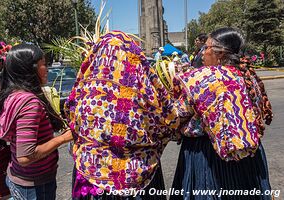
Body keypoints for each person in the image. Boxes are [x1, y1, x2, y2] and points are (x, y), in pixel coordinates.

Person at [65, 31, 179, 200]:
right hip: (138, 176)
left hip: (93, 177)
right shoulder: (145, 89)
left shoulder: (84, 90)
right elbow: (167, 119)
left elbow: (73, 120)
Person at [171, 27, 273, 199]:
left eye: (206, 47)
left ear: (220, 53)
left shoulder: (202, 78)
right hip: (248, 155)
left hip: (207, 158)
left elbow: (176, 114)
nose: (202, 53)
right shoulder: (249, 76)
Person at [0, 44, 73, 199]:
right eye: (43, 64)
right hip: (34, 186)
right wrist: (63, 138)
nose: (47, 69)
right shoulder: (29, 102)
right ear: (29, 69)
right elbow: (25, 156)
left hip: (20, 179)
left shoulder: (14, 94)